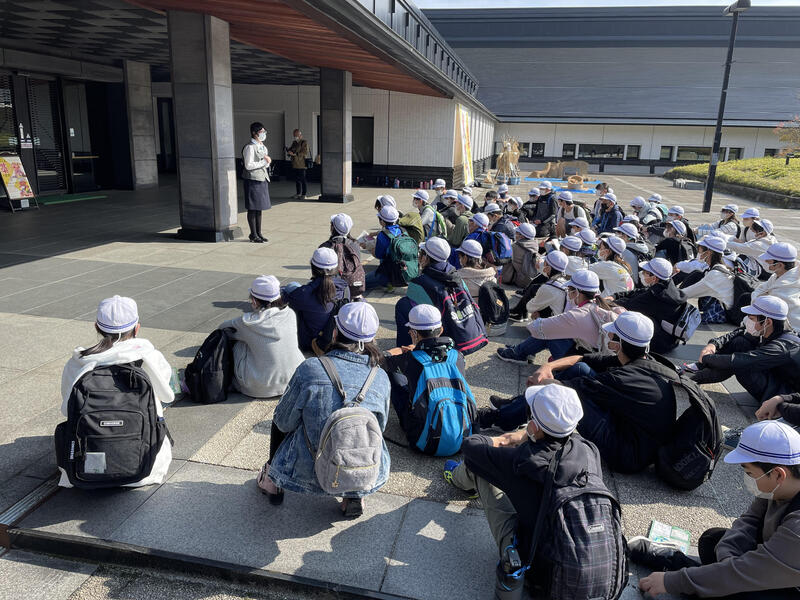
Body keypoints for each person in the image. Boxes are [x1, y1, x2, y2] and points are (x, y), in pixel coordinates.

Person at [443, 385, 616, 597]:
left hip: (540, 571)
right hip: (592, 564)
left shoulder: (524, 462)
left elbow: (471, 446)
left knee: (480, 467)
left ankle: (458, 478)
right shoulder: (589, 450)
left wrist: (510, 438)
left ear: (534, 426)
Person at [635, 420, 800, 600]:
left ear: (778, 474)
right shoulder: (779, 487)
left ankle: (679, 565)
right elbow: (750, 520)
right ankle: (708, 579)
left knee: (738, 590)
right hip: (770, 561)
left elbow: (748, 572)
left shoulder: (797, 528)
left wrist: (671, 581)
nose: (748, 480)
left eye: (750, 473)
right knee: (712, 540)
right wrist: (728, 558)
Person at [257, 302, 390, 518]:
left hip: (306, 470)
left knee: (281, 415)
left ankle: (272, 481)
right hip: (363, 467)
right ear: (373, 338)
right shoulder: (380, 376)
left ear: (335, 332)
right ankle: (354, 493)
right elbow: (380, 427)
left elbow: (283, 422)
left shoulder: (311, 368)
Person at [537, 311, 678, 474]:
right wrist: (548, 366)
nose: (608, 336)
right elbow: (583, 358)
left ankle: (529, 427)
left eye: (612, 334)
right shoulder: (644, 362)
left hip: (627, 456)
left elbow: (561, 389)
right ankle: (526, 416)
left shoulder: (621, 379)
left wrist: (540, 381)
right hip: (640, 441)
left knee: (566, 398)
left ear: (619, 343)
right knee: (581, 369)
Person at [59, 295, 174, 488]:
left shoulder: (78, 362)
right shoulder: (150, 356)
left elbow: (66, 409)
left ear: (97, 327)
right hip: (146, 468)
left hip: (84, 467)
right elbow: (167, 395)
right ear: (137, 328)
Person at [384, 304, 473, 447]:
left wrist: (401, 349)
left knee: (395, 375)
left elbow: (382, 359)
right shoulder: (457, 356)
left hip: (423, 441)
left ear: (414, 333)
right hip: (462, 437)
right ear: (441, 330)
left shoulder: (410, 359)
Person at [495, 269, 623, 365]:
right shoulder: (602, 305)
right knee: (553, 330)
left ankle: (518, 353)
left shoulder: (580, 314)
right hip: (597, 357)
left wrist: (539, 319)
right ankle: (520, 350)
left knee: (550, 333)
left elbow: (537, 327)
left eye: (570, 289)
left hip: (586, 361)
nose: (568, 292)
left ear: (577, 292)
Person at [691, 296, 800, 403]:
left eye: (751, 318)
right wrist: (713, 344)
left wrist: (707, 358)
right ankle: (695, 371)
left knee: (740, 364)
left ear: (767, 322)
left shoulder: (783, 347)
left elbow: (742, 360)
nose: (747, 321)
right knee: (740, 342)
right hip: (774, 376)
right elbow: (739, 332)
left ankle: (691, 377)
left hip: (783, 394)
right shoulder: (772, 329)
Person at [394, 237, 487, 352]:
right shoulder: (456, 275)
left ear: (425, 258)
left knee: (403, 305)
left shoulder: (419, 283)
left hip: (448, 336)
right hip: (470, 333)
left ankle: (406, 349)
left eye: (421, 253)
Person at [220, 276, 305, 398]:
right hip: (293, 379)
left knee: (240, 343)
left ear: (254, 301)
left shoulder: (248, 323)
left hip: (261, 387)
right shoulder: (290, 314)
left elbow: (222, 329)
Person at [612, 258, 688, 353]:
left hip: (660, 345)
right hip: (671, 341)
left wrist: (610, 300)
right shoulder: (667, 286)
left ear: (654, 278)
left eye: (645, 272)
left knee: (627, 315)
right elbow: (639, 292)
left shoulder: (654, 296)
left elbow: (628, 304)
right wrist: (616, 295)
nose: (642, 274)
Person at [284, 247, 348, 351]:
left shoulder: (304, 294)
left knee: (291, 287)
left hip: (310, 342)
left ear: (313, 268)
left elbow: (286, 299)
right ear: (336, 268)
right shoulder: (345, 288)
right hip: (334, 340)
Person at [680, 235, 734, 324]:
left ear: (709, 252)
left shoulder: (715, 274)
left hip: (721, 313)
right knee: (697, 274)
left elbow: (687, 293)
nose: (698, 252)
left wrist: (673, 295)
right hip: (723, 307)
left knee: (679, 297)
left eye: (700, 249)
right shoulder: (722, 268)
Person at [752, 242, 800, 330]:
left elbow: (758, 302)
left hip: (790, 330)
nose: (765, 261)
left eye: (769, 260)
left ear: (780, 265)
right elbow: (761, 289)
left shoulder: (784, 288)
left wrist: (759, 295)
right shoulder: (781, 274)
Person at [320, 213, 365, 298]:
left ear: (332, 228)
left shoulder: (325, 247)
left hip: (333, 291)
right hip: (353, 287)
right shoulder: (355, 244)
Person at [241, 121, 272, 243]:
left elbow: (266, 163)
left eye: (264, 131)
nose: (264, 134)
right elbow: (248, 165)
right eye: (261, 132)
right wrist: (264, 162)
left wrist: (267, 162)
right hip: (252, 179)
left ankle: (259, 233)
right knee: (252, 208)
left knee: (259, 208)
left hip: (262, 178)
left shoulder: (262, 146)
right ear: (254, 133)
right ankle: (253, 234)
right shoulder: (249, 147)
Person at [364, 205, 403, 291]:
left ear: (382, 221)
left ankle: (389, 281)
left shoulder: (382, 235)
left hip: (388, 271)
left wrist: (370, 249)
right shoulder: (401, 230)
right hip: (403, 270)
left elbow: (379, 255)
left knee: (360, 282)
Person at [502, 222, 539, 288]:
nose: (515, 234)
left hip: (520, 282)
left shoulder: (515, 247)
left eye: (517, 232)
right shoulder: (535, 245)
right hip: (531, 280)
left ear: (522, 236)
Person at [286, 128, 309, 200]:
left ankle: (304, 194)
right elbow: (291, 150)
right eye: (294, 135)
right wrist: (289, 151)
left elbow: (305, 152)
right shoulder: (294, 142)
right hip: (295, 164)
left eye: (296, 135)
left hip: (302, 164)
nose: (295, 137)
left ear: (300, 135)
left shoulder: (304, 142)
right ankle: (298, 193)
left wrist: (295, 154)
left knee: (303, 179)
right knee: (297, 180)